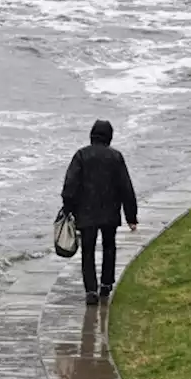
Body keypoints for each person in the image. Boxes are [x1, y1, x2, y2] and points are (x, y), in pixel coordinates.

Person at [61, 119, 138, 305]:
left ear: (92, 135)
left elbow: (70, 184)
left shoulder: (81, 155)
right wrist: (131, 216)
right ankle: (106, 283)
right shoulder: (116, 157)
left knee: (88, 250)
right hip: (110, 211)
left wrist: (68, 207)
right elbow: (126, 187)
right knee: (109, 246)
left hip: (85, 211)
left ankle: (90, 289)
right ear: (110, 137)